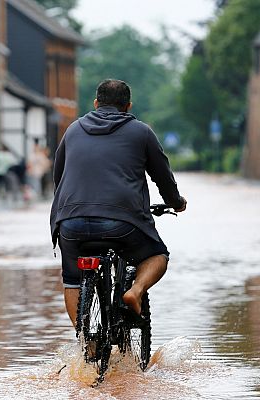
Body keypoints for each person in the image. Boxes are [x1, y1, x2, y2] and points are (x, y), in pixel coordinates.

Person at [50, 79, 187, 327]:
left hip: (71, 223)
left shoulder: (73, 130)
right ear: (128, 106)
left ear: (95, 103)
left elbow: (58, 178)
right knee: (158, 256)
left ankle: (85, 342)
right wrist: (175, 202)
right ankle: (135, 291)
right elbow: (162, 177)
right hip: (122, 222)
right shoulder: (142, 132)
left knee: (72, 280)